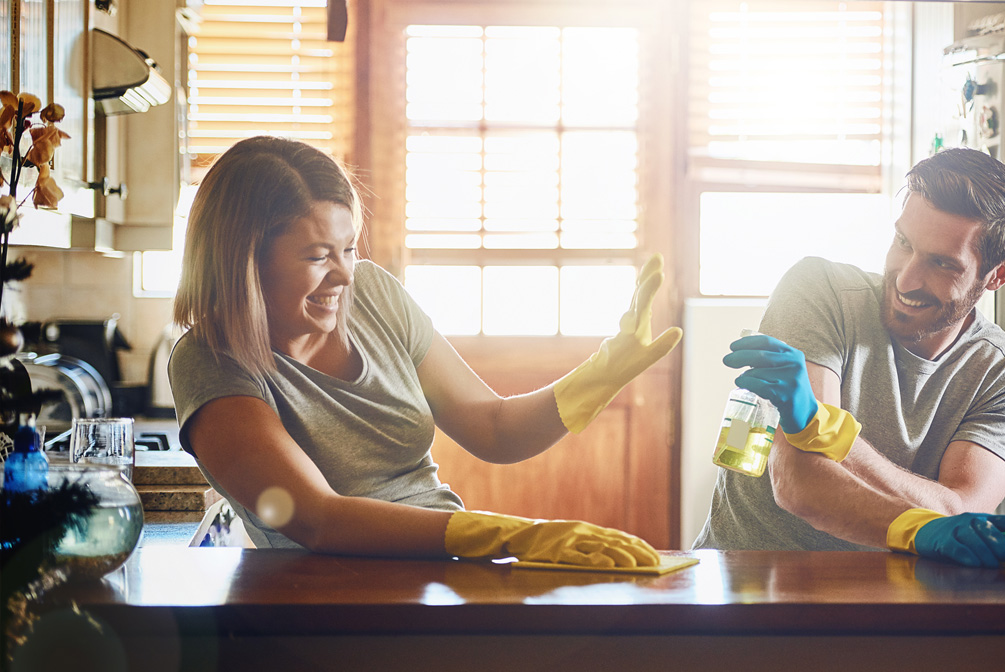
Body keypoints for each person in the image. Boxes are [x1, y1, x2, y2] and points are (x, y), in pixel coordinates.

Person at [169, 136, 681, 568]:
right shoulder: (210, 361)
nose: (344, 275)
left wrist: (602, 373)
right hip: (331, 601)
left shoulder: (373, 294)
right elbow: (317, 519)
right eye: (318, 256)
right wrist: (508, 535)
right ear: (244, 261)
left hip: (448, 567)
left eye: (349, 249)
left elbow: (494, 428)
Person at [693, 148, 1005, 568]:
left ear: (999, 274)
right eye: (903, 243)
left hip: (896, 597)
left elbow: (959, 512)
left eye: (941, 263)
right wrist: (921, 528)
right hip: (746, 585)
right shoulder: (820, 292)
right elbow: (800, 483)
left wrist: (826, 430)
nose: (906, 279)